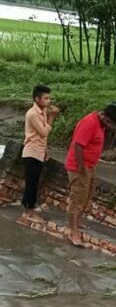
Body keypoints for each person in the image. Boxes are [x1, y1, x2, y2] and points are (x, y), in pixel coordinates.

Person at [65, 104, 116, 245]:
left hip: (89, 166)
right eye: (108, 122)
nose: (108, 126)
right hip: (79, 167)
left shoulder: (101, 124)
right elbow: (78, 145)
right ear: (103, 115)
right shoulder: (89, 122)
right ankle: (73, 232)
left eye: (111, 124)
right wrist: (81, 168)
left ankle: (77, 222)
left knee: (87, 194)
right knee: (77, 198)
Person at [21, 85, 59, 222]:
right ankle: (28, 213)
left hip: (38, 152)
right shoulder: (32, 114)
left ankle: (29, 209)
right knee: (31, 184)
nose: (49, 101)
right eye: (46, 98)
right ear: (37, 99)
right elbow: (43, 133)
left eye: (49, 98)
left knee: (34, 183)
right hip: (32, 152)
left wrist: (44, 151)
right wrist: (52, 118)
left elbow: (41, 138)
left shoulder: (42, 111)